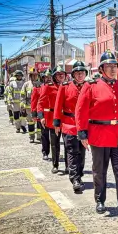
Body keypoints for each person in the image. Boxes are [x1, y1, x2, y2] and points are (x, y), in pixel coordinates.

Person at [75, 50, 118, 215]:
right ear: (101, 69)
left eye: (114, 65)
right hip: (99, 135)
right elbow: (81, 110)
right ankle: (100, 200)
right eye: (108, 66)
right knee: (100, 170)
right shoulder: (91, 86)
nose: (112, 69)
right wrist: (82, 133)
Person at [54, 61, 88, 192]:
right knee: (72, 152)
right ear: (73, 74)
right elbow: (58, 105)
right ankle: (75, 178)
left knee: (82, 152)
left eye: (82, 73)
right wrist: (57, 123)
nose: (80, 75)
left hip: (84, 125)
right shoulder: (65, 86)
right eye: (78, 73)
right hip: (69, 124)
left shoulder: (88, 86)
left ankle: (79, 173)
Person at [38, 66, 67, 174]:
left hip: (65, 119)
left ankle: (68, 166)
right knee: (54, 143)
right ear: (54, 76)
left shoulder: (67, 86)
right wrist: (41, 117)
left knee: (67, 144)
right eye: (58, 74)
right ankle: (55, 165)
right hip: (52, 118)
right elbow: (40, 103)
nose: (61, 76)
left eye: (62, 74)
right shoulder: (48, 87)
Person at [33, 70, 51, 161]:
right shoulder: (38, 87)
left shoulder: (56, 87)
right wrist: (35, 114)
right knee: (44, 135)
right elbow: (35, 101)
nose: (48, 79)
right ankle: (45, 152)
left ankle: (56, 153)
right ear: (43, 78)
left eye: (49, 77)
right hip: (43, 115)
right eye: (46, 77)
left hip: (53, 115)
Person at [21, 68, 41, 143]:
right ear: (30, 76)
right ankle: (31, 137)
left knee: (39, 122)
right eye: (33, 75)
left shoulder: (40, 84)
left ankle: (39, 136)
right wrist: (22, 105)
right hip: (29, 107)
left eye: (36, 75)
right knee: (30, 122)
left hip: (38, 107)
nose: (35, 77)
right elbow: (23, 95)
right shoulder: (26, 84)